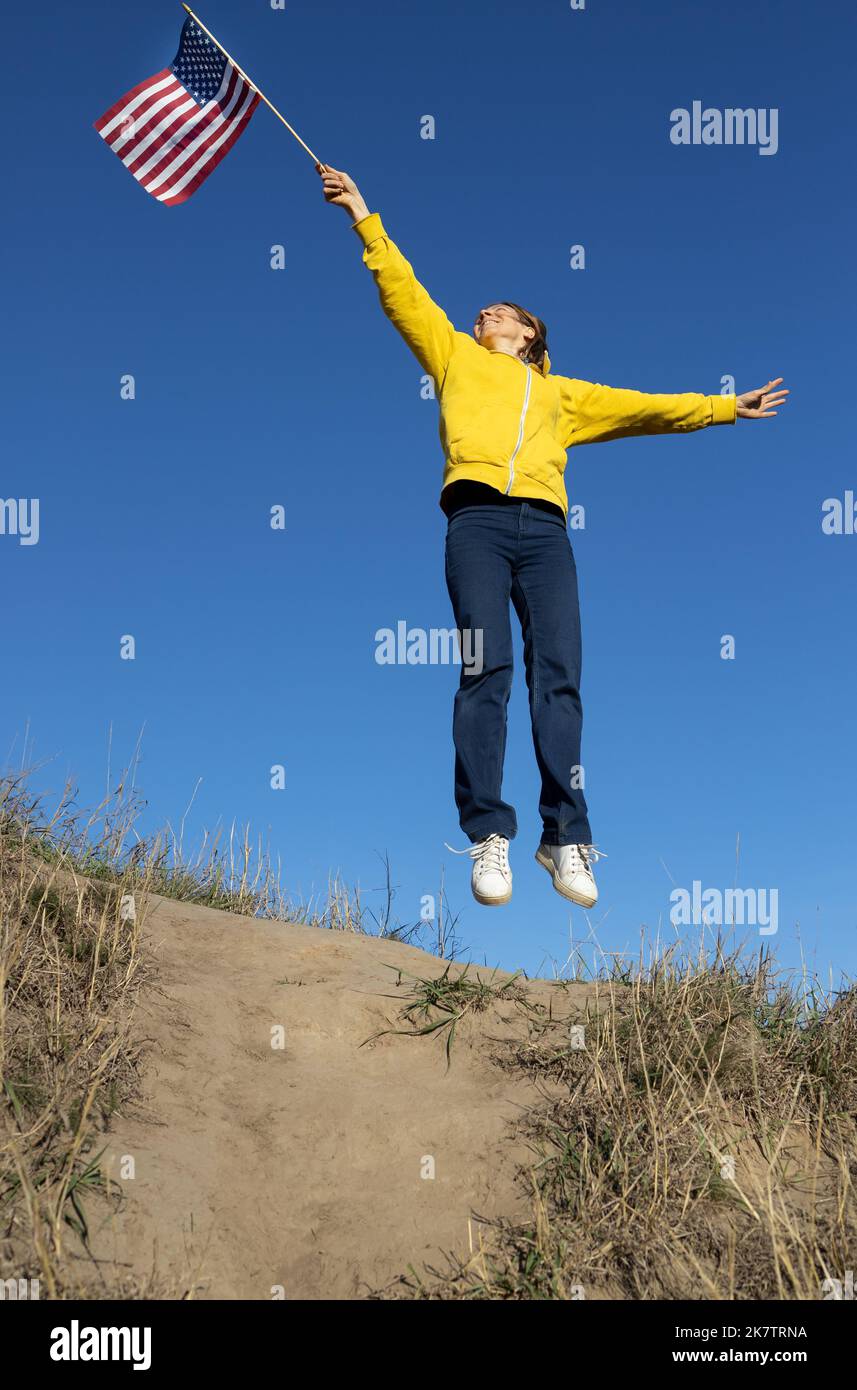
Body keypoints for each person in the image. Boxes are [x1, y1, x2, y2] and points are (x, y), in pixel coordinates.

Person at [317, 163, 788, 910]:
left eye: (500, 312)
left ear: (531, 334)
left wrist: (725, 407)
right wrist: (362, 215)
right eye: (481, 313)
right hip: (472, 523)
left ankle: (564, 837)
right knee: (483, 671)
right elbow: (402, 294)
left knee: (558, 678)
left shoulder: (561, 395)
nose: (485, 316)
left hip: (543, 535)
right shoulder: (454, 359)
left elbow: (644, 408)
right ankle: (487, 834)